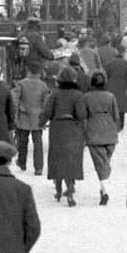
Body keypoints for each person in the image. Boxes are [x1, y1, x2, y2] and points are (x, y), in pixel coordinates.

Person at [41, 66, 86, 206]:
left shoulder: (54, 94)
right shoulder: (78, 95)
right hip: (73, 128)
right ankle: (71, 186)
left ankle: (58, 188)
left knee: (57, 157)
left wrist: (40, 123)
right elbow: (81, 114)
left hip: (57, 128)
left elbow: (46, 112)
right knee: (72, 157)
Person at [84, 70, 120, 204]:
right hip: (110, 132)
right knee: (105, 162)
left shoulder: (86, 97)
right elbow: (116, 116)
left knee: (100, 165)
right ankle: (104, 187)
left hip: (94, 132)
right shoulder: (111, 97)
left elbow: (84, 117)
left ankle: (105, 190)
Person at [11, 65, 50, 176]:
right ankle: (38, 168)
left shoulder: (21, 83)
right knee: (38, 143)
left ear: (28, 71)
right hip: (37, 118)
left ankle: (22, 162)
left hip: (23, 117)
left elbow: (14, 98)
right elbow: (46, 102)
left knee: (22, 141)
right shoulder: (43, 85)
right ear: (39, 73)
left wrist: (15, 112)